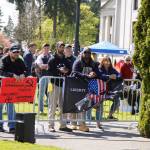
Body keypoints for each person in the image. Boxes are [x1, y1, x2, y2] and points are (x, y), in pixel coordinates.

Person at [72, 47, 103, 132]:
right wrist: (86, 75)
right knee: (74, 105)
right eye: (85, 52)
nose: (87, 54)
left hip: (87, 88)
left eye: (89, 53)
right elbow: (74, 72)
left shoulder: (93, 63)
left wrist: (94, 73)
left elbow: (99, 74)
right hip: (76, 86)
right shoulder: (78, 62)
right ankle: (74, 124)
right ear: (82, 53)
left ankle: (82, 125)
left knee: (83, 105)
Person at [0, 45, 27, 133]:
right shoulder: (3, 60)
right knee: (0, 106)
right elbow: (1, 71)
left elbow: (26, 69)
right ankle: (0, 125)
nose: (16, 53)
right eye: (14, 52)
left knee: (11, 106)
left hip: (11, 88)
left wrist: (24, 73)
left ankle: (12, 127)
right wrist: (12, 75)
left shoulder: (19, 60)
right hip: (1, 86)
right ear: (9, 52)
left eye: (17, 52)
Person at [47, 41, 72, 132]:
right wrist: (59, 71)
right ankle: (51, 125)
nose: (62, 48)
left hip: (64, 85)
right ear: (57, 47)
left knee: (63, 106)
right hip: (54, 84)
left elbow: (70, 71)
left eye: (63, 47)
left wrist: (66, 71)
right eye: (60, 46)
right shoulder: (52, 59)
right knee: (53, 105)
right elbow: (49, 72)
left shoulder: (66, 60)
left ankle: (63, 125)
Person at [35, 43, 52, 113]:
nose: (47, 49)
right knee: (41, 94)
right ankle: (40, 110)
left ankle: (50, 110)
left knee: (50, 94)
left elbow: (54, 66)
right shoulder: (40, 56)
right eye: (45, 48)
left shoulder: (51, 56)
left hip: (51, 78)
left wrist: (46, 66)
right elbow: (40, 66)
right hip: (43, 77)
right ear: (43, 49)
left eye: (48, 48)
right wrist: (49, 65)